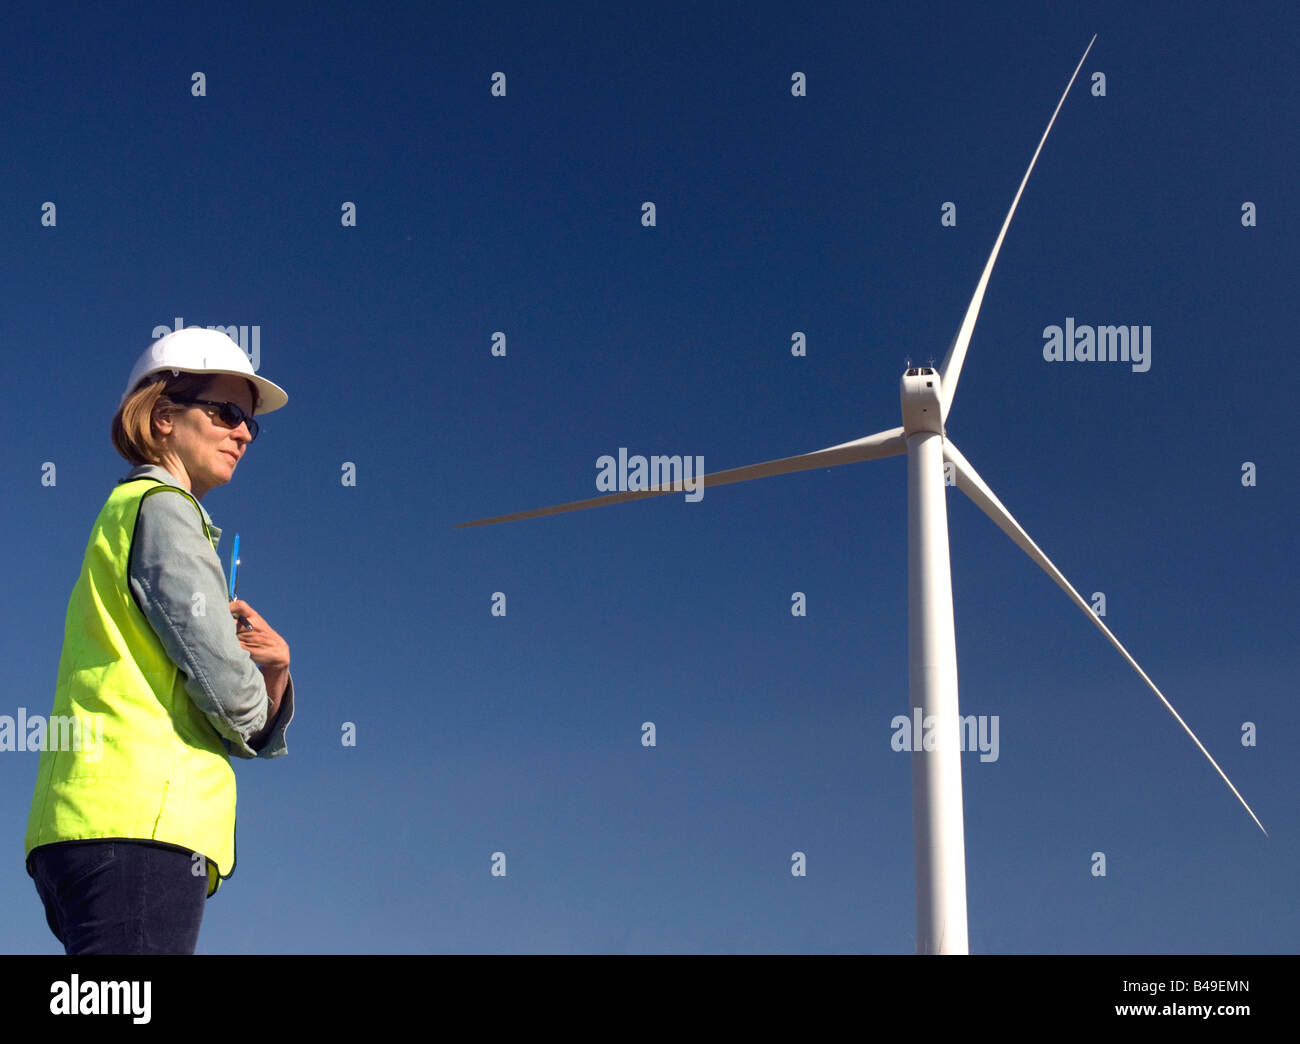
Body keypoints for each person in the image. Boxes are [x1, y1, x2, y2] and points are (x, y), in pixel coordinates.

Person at [24, 326, 296, 955]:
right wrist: (261, 689)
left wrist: (269, 671)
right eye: (226, 412)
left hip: (84, 826)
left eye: (251, 422)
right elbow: (233, 700)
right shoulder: (166, 509)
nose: (245, 433)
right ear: (164, 417)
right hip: (142, 826)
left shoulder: (124, 513)